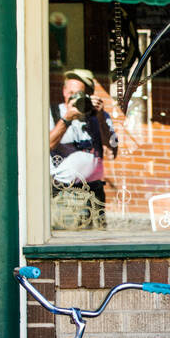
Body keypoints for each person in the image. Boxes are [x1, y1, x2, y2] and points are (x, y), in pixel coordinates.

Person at [50, 68, 116, 228]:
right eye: (70, 91)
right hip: (65, 194)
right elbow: (47, 145)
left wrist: (99, 118)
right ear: (64, 91)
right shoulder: (53, 113)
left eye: (78, 93)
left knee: (96, 245)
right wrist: (67, 119)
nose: (72, 97)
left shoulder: (100, 116)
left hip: (94, 194)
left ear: (89, 95)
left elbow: (112, 151)